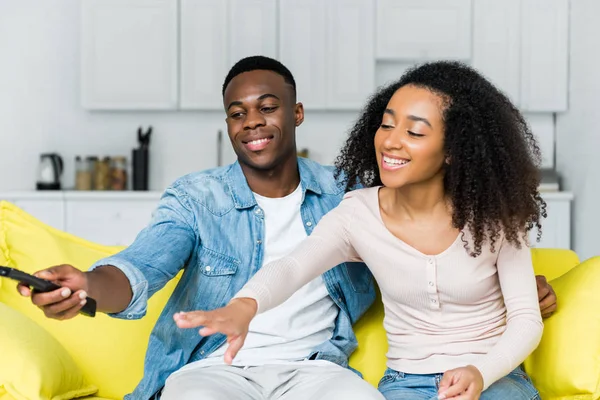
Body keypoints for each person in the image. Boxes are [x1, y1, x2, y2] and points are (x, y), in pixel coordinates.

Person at [17, 56, 555, 399]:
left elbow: (466, 277)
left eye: (267, 106)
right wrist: (91, 286)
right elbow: (148, 266)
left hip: (320, 372)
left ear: (296, 113)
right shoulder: (201, 199)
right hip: (221, 369)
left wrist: (510, 297)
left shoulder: (348, 194)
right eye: (236, 112)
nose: (251, 120)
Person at [173, 61, 549, 400]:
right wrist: (245, 305)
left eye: (415, 133)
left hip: (496, 379)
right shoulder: (358, 214)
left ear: (453, 150)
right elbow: (292, 266)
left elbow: (526, 321)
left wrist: (480, 373)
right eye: (387, 124)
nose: (391, 141)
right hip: (406, 383)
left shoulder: (495, 216)